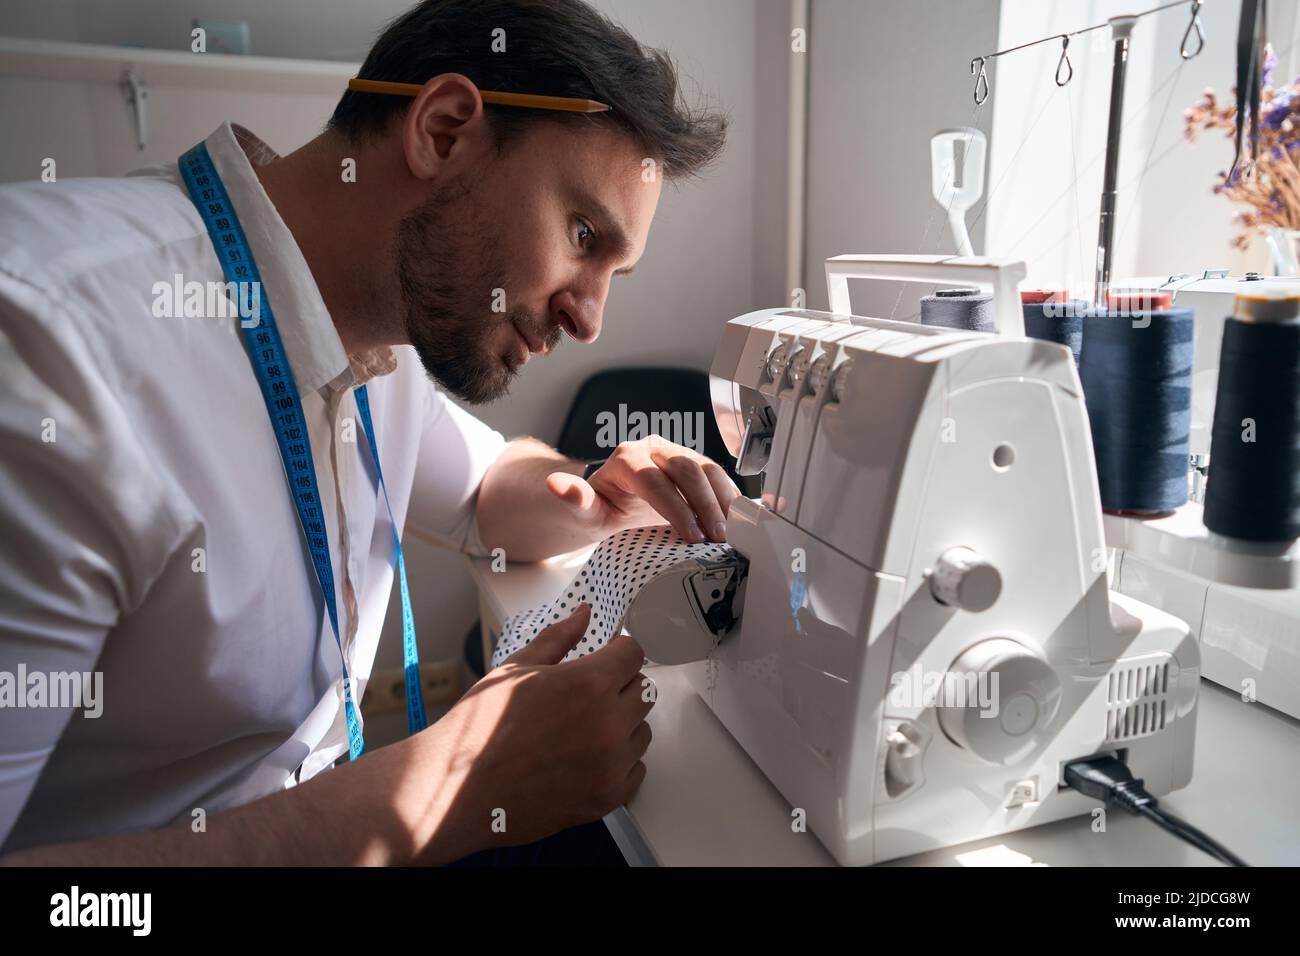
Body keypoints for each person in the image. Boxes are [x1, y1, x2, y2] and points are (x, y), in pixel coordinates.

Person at [0, 0, 733, 865]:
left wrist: (595, 491)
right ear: (446, 131)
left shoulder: (372, 341)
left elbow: (484, 492)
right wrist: (446, 789)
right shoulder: (46, 346)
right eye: (582, 235)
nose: (590, 318)